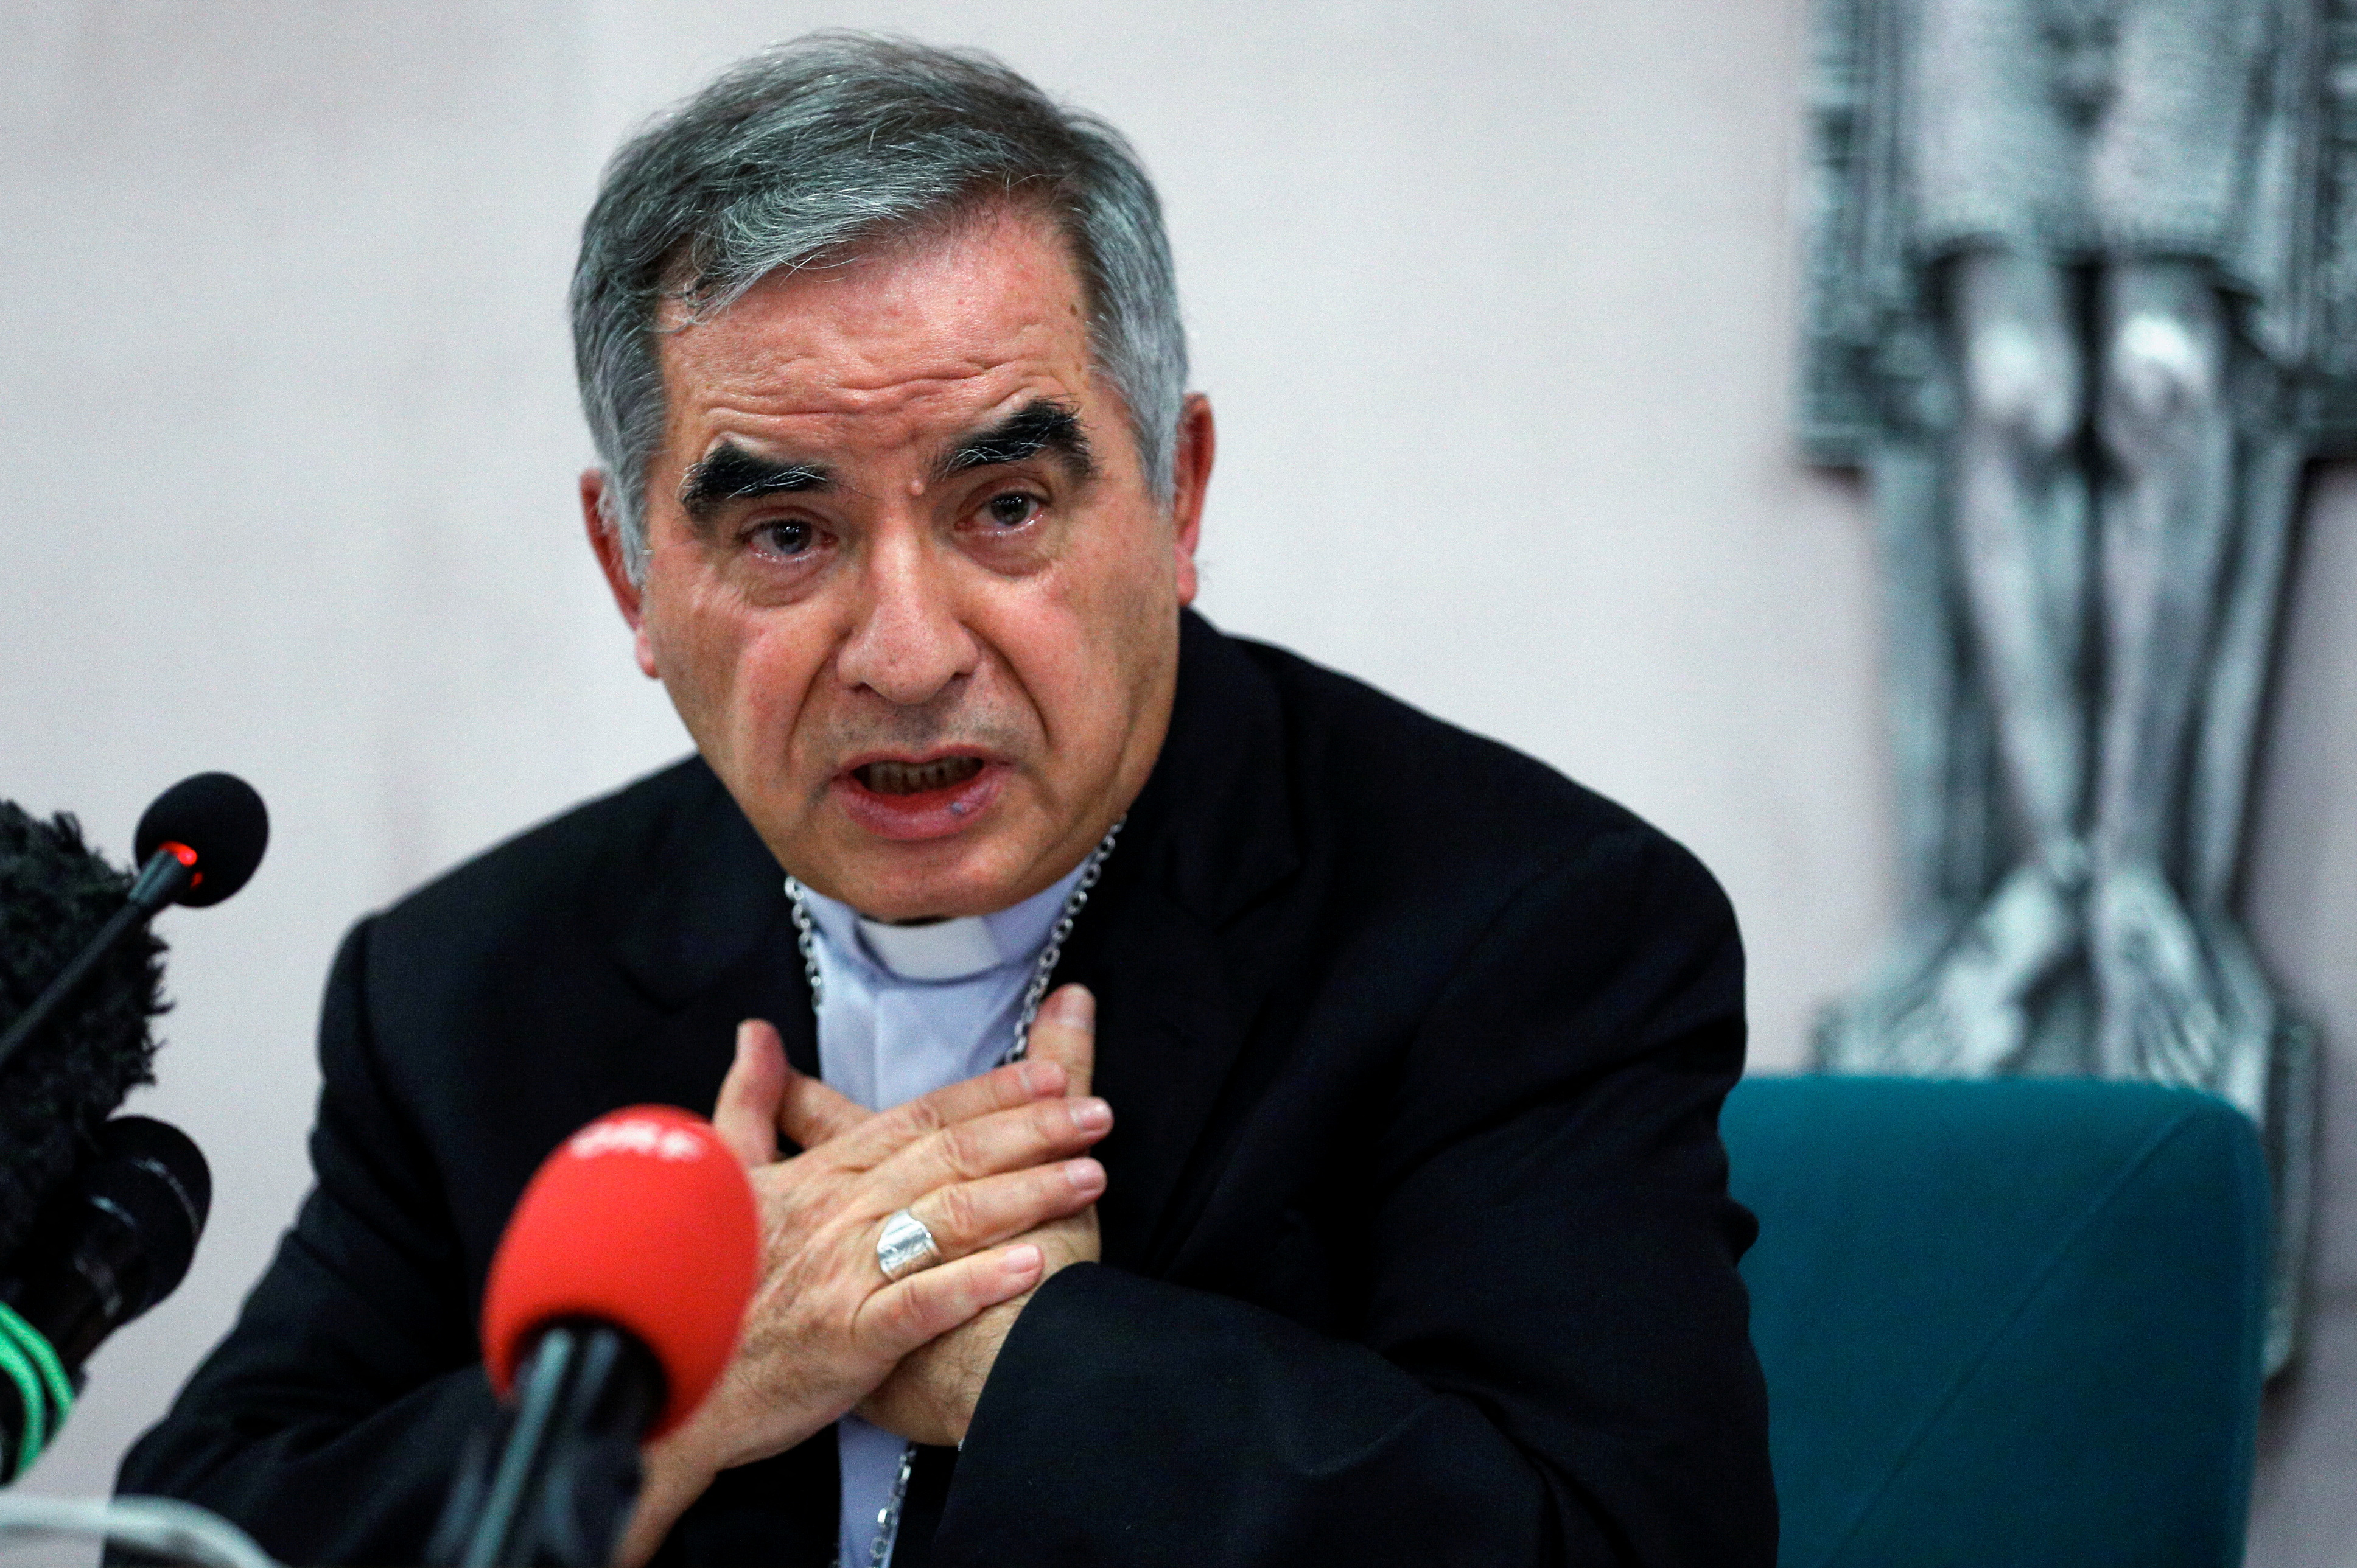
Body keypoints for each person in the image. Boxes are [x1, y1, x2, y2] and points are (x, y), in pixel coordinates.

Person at [121, 34, 1774, 1567]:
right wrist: (682, 1386)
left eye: (1006, 506)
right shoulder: (469, 991)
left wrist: (1032, 1357)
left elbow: (1626, 1544)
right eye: (788, 535)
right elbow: (194, 1535)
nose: (907, 657)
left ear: (1178, 496)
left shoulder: (1522, 930)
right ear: (629, 571)